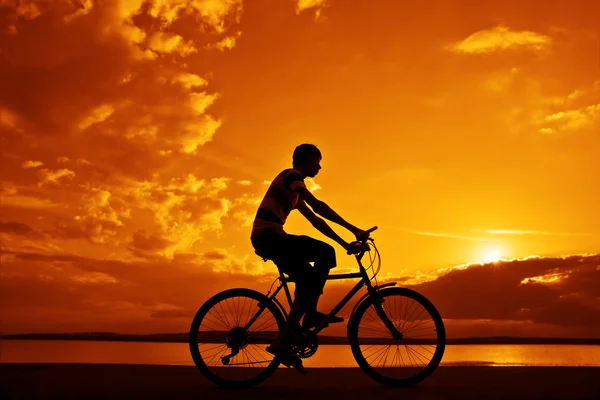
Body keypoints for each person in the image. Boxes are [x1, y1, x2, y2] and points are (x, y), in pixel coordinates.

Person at [250, 143, 369, 368]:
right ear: (306, 160)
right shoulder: (291, 176)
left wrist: (345, 243)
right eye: (318, 161)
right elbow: (318, 207)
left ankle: (303, 319)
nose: (320, 167)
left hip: (272, 238)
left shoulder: (295, 194)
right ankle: (290, 334)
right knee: (321, 257)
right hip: (270, 237)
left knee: (315, 268)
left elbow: (316, 221)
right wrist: (354, 230)